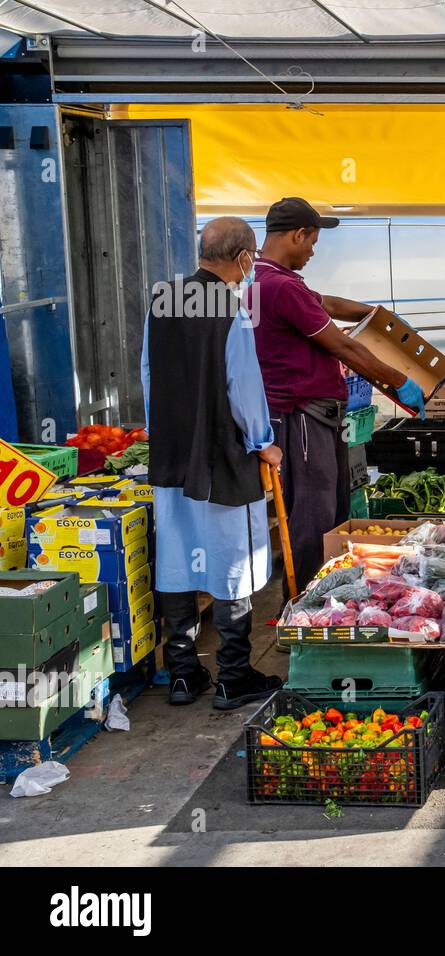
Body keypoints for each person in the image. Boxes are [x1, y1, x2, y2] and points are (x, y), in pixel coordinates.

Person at [249, 198, 427, 598]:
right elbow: (344, 349)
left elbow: (326, 303)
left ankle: (323, 600)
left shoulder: (268, 279)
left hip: (308, 416)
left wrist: (378, 317)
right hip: (302, 418)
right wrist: (398, 382)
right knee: (314, 516)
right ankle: (304, 611)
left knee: (329, 511)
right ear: (297, 235)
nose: (313, 251)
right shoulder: (279, 286)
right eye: (311, 242)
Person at [143, 217, 284, 709]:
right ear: (244, 258)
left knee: (178, 557)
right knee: (233, 562)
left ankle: (183, 674)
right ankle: (233, 676)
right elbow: (242, 385)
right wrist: (263, 441)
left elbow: (149, 374)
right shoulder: (233, 307)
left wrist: (162, 429)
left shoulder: (163, 297)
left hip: (172, 450)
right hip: (223, 452)